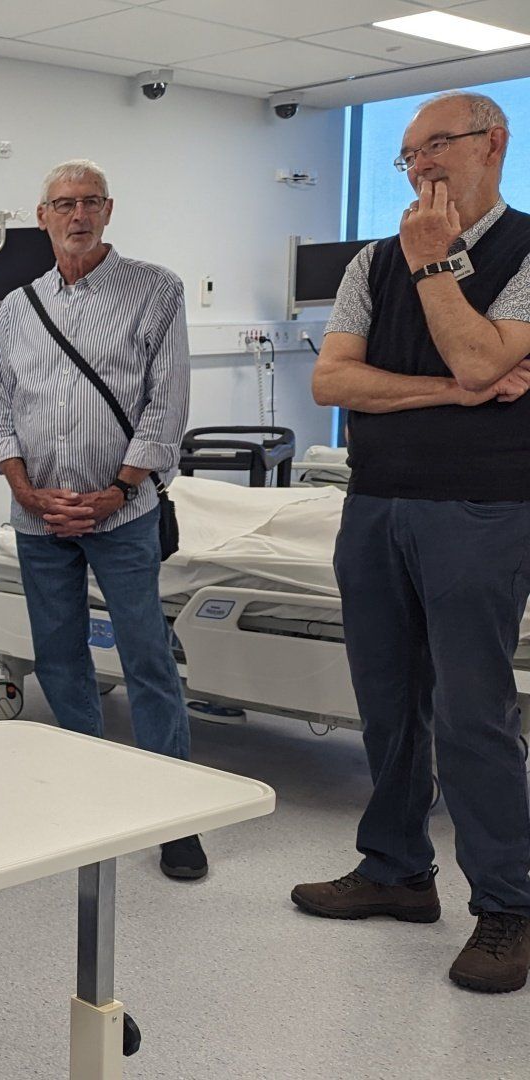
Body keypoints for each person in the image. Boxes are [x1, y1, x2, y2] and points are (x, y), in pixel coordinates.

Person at [297, 91, 530, 994]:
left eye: (438, 145)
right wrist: (454, 392)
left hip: (483, 509)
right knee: (388, 704)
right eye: (408, 154)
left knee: (474, 714)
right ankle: (396, 871)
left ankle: (508, 905)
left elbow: (477, 352)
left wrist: (437, 268)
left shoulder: (522, 251)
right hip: (377, 503)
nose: (422, 165)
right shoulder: (369, 261)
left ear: (494, 143)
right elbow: (331, 379)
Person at [0, 159, 203, 881]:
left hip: (124, 511)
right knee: (59, 658)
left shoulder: (156, 290)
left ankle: (175, 813)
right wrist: (26, 491)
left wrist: (116, 489)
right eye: (62, 204)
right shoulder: (18, 307)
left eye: (89, 202)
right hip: (38, 516)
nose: (76, 215)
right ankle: (87, 794)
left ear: (108, 211)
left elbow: (165, 408)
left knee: (146, 656)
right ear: (41, 216)